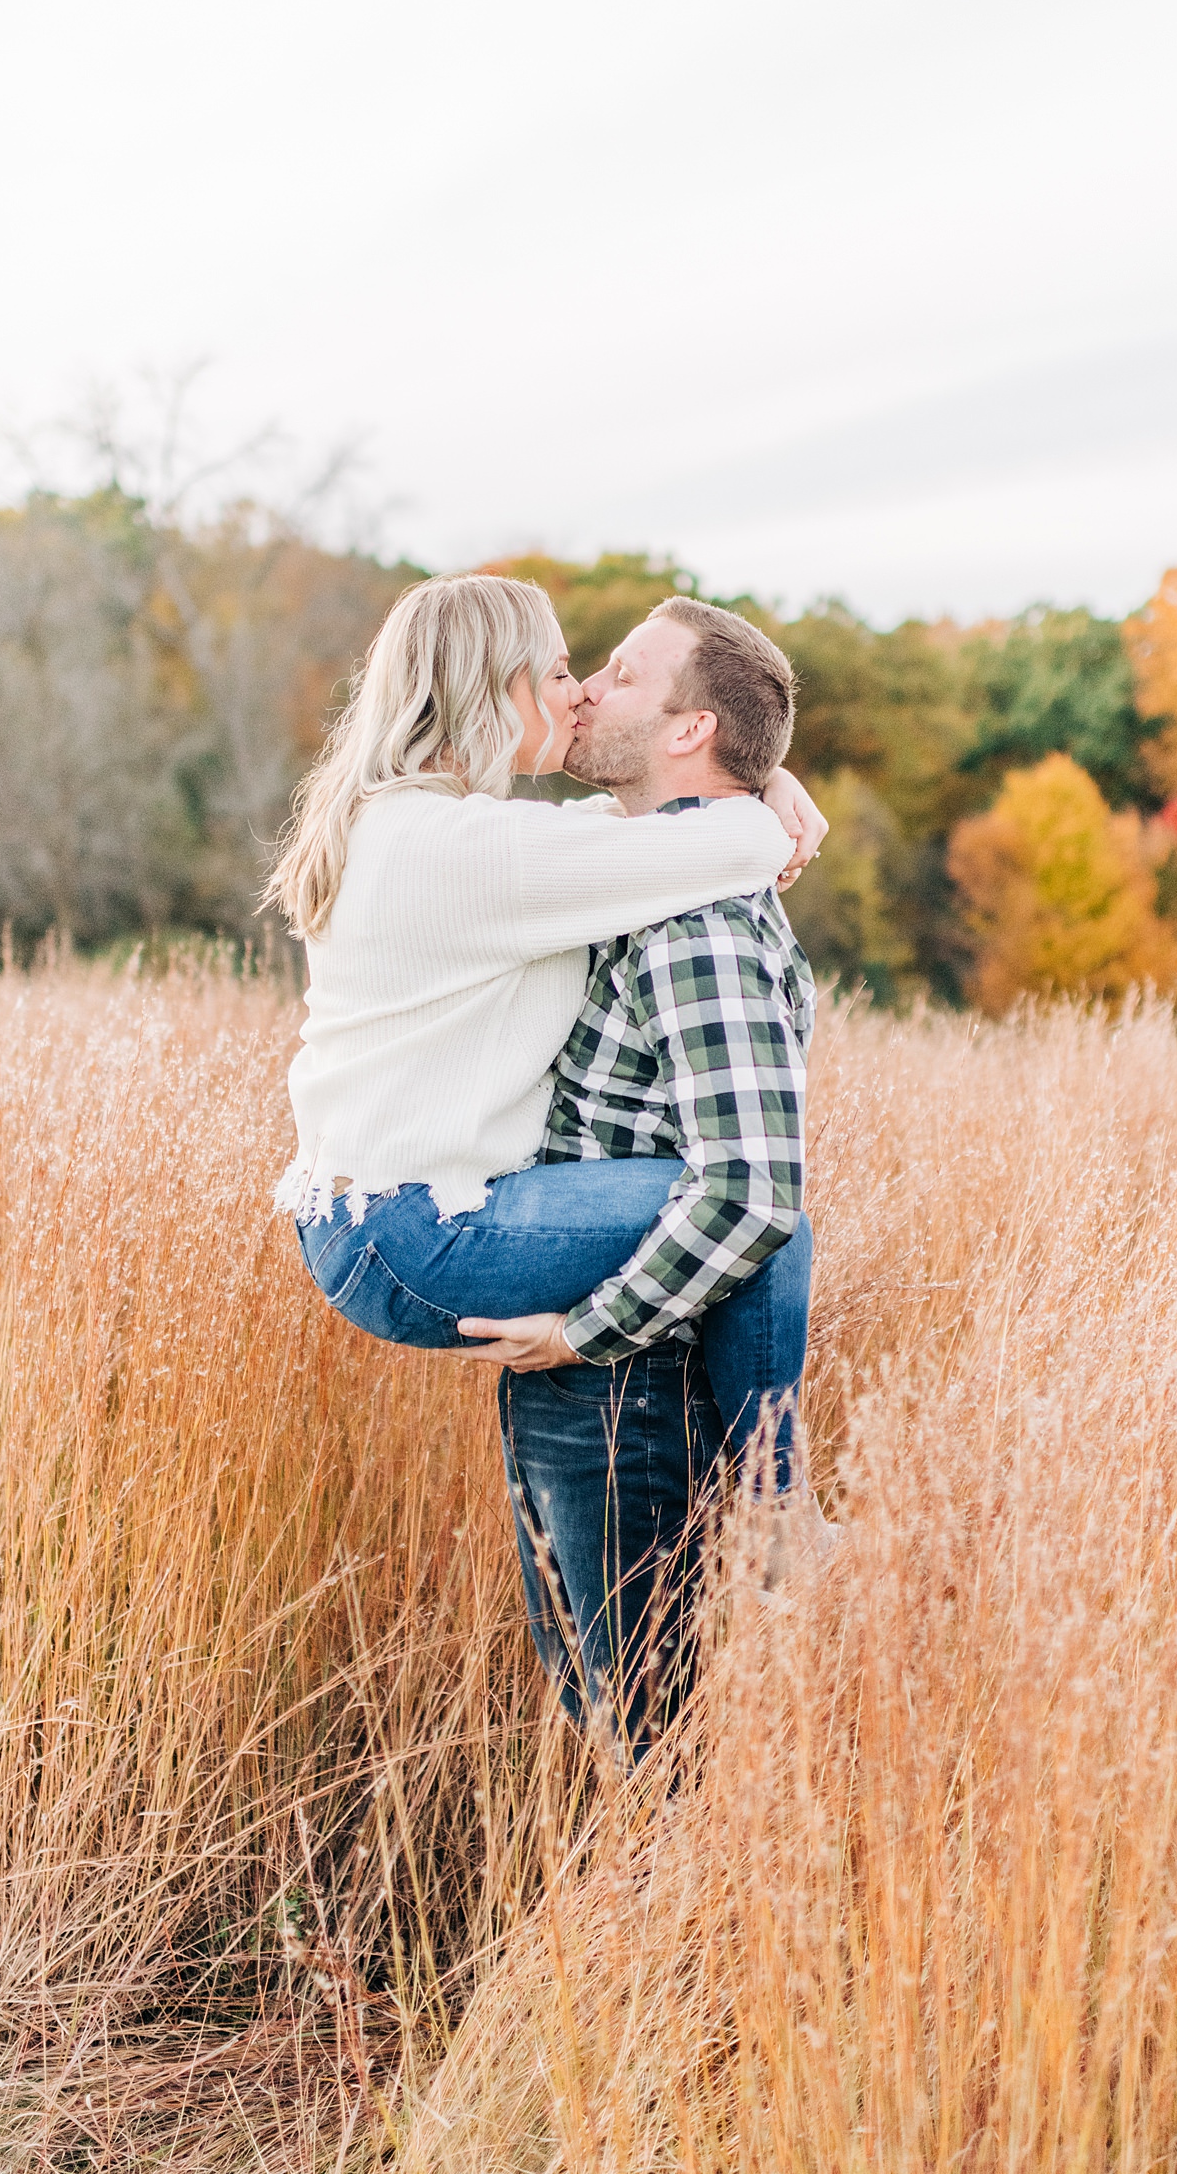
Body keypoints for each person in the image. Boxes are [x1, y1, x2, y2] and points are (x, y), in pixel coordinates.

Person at [268, 573, 826, 1465]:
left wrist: (767, 777)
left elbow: (619, 830)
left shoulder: (415, 825)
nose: (580, 695)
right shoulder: (467, 851)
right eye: (561, 672)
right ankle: (776, 1504)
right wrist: (768, 804)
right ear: (497, 686)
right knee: (760, 1211)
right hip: (421, 1228)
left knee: (744, 1207)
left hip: (363, 1220)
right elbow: (719, 839)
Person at [454, 599, 828, 1756]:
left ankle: (686, 1929)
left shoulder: (696, 927)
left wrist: (585, 1335)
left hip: (632, 1374)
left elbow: (754, 1188)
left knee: (647, 1724)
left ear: (687, 730)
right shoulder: (640, 876)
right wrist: (773, 788)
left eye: (618, 676)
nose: (582, 694)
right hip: (600, 1360)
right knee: (600, 1694)